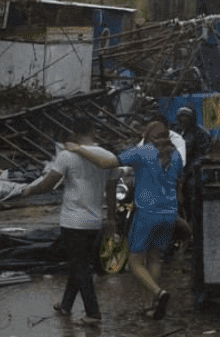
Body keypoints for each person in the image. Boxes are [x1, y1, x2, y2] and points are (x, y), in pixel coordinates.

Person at [70, 120, 183, 320]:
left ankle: (159, 293)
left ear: (148, 137)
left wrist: (78, 149)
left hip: (147, 213)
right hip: (170, 213)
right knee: (155, 258)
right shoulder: (176, 156)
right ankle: (150, 305)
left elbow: (106, 163)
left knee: (134, 263)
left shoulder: (142, 152)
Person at [20, 117, 116, 325]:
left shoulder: (67, 156)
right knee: (78, 263)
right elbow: (111, 190)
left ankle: (93, 313)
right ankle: (66, 305)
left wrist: (29, 190)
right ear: (93, 131)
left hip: (73, 221)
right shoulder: (108, 156)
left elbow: (48, 184)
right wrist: (112, 218)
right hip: (95, 221)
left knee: (80, 266)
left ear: (73, 132)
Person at [174, 106, 212, 235]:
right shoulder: (176, 132)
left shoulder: (200, 133)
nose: (183, 119)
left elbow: (202, 155)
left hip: (192, 172)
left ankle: (194, 227)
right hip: (175, 172)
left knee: (191, 194)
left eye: (186, 116)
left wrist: (188, 172)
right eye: (181, 116)